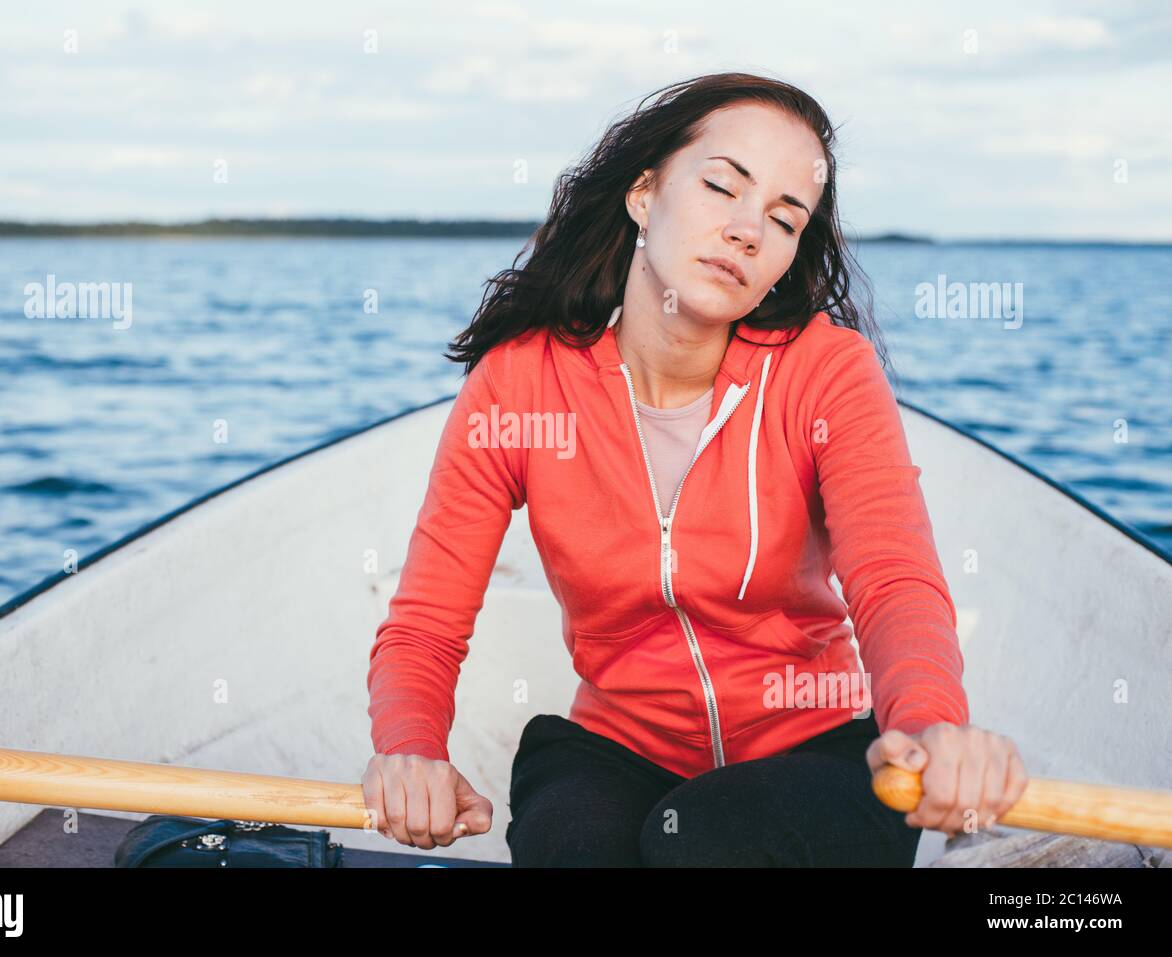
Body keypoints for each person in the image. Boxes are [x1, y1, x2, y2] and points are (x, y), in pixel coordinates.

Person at [361, 71, 1028, 866]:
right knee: (572, 841)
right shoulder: (520, 383)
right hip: (617, 750)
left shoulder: (827, 373)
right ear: (644, 194)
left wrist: (928, 728)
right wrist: (410, 750)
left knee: (707, 837)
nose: (749, 231)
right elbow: (427, 625)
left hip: (820, 749)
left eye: (785, 220)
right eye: (722, 186)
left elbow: (893, 581)